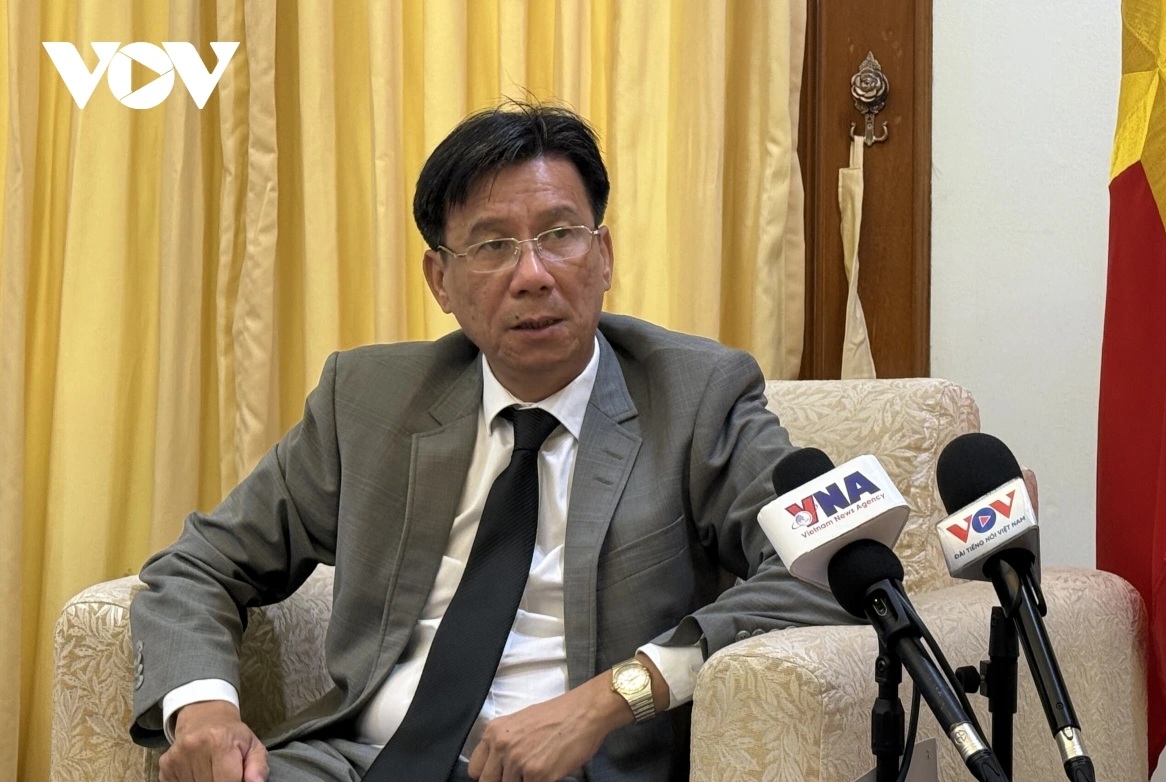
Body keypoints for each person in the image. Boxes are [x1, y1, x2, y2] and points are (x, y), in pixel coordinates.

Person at [129, 101, 849, 782]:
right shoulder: (368, 401)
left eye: (560, 235)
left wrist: (613, 697)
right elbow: (200, 565)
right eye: (493, 246)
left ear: (603, 255)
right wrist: (205, 709)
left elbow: (827, 568)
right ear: (440, 280)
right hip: (357, 763)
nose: (533, 276)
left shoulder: (696, 397)